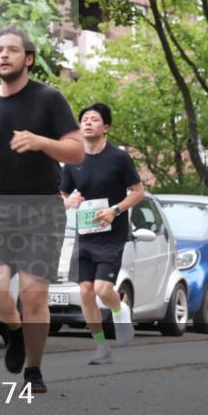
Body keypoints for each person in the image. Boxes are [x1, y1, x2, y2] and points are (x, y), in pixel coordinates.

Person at [0, 25, 84, 394]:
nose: (4, 55)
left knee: (33, 293)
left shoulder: (49, 98)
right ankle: (14, 330)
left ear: (28, 59)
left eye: (12, 50)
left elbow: (76, 150)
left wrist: (41, 141)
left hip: (42, 207)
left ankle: (33, 369)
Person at [60, 103, 144, 365]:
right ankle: (101, 348)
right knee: (85, 292)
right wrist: (68, 201)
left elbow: (138, 192)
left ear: (105, 128)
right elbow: (62, 193)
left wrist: (115, 210)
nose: (87, 123)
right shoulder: (74, 160)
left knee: (102, 288)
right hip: (85, 235)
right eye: (84, 119)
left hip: (112, 235)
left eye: (94, 119)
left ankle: (120, 309)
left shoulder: (118, 158)